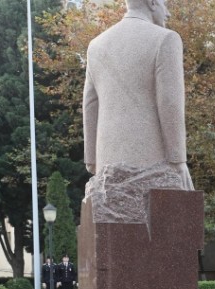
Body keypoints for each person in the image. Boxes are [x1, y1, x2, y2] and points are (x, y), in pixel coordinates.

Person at [83, 0, 193, 192]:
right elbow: (170, 103)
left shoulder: (96, 46)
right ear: (152, 2)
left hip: (106, 166)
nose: (167, 13)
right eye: (164, 4)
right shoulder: (166, 39)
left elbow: (90, 105)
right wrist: (178, 160)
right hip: (151, 162)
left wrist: (92, 161)